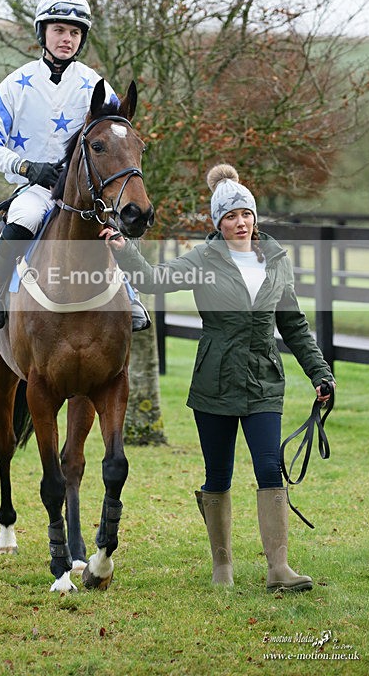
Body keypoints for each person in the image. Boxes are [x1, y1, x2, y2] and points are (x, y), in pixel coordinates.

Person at [100, 163, 335, 592]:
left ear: (254, 217)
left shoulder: (277, 261)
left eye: (245, 214)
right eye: (229, 216)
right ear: (218, 223)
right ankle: (222, 568)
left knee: (270, 469)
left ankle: (278, 569)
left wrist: (321, 373)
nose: (239, 223)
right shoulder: (204, 258)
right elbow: (153, 282)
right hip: (215, 381)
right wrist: (123, 247)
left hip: (264, 379)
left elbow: (295, 326)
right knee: (218, 475)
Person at [0, 0, 150, 331]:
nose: (67, 39)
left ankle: (130, 297)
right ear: (43, 33)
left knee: (110, 226)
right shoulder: (15, 85)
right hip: (37, 188)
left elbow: (118, 139)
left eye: (74, 33)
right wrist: (26, 167)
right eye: (59, 30)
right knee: (24, 216)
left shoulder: (94, 85)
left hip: (85, 191)